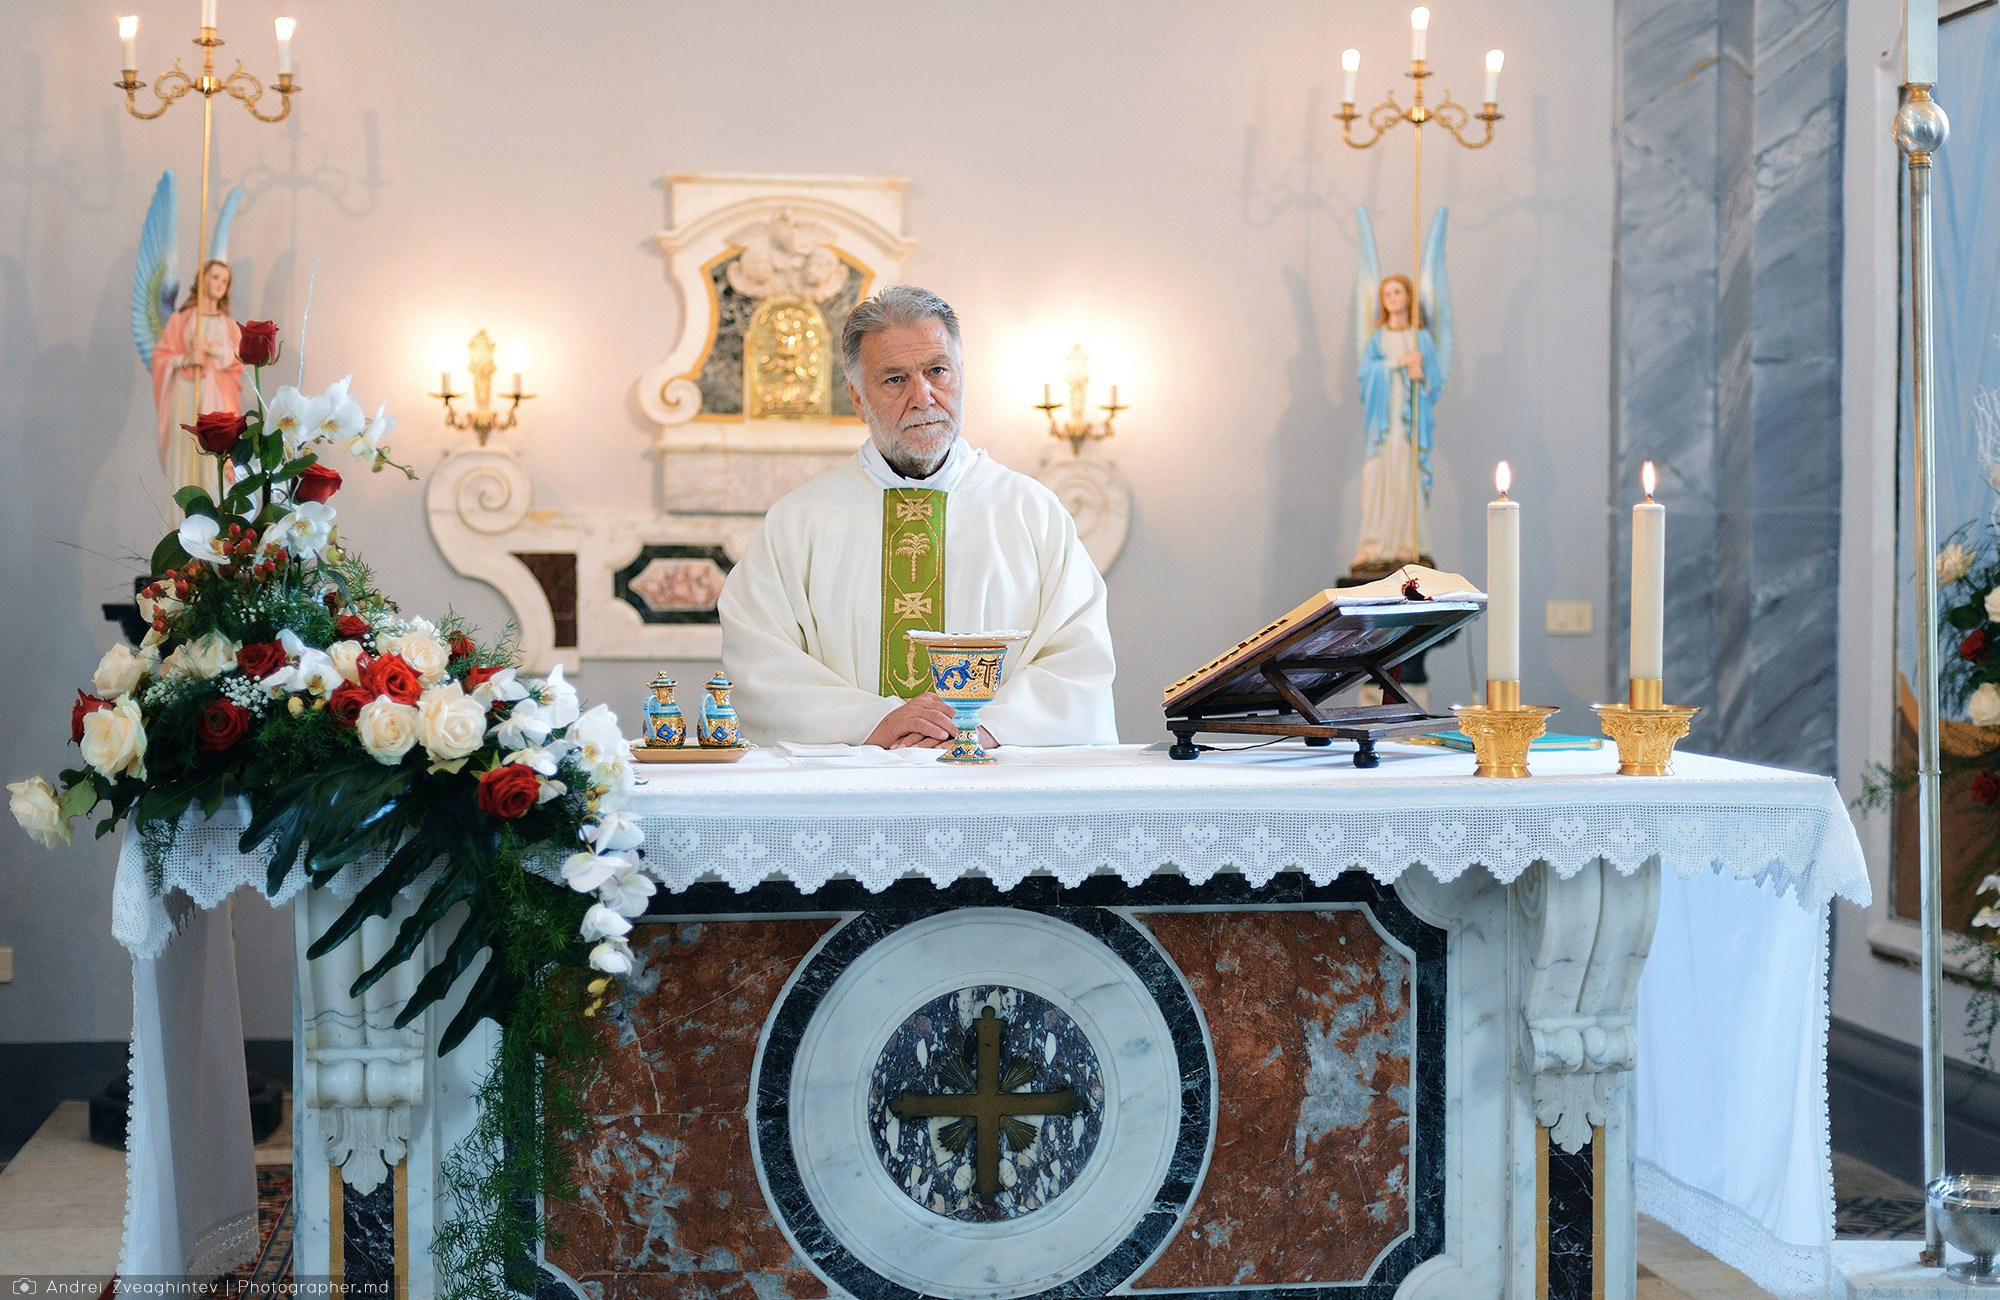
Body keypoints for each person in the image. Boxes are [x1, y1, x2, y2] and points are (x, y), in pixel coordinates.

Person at [719, 285, 1117, 748]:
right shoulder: (799, 522)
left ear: (961, 376)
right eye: (894, 379)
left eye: (937, 371)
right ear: (857, 397)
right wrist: (872, 720)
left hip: (993, 780)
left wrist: (984, 728)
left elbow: (1078, 659)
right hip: (852, 784)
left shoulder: (1032, 513)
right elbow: (761, 662)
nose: (923, 396)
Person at [1351, 272, 1441, 571]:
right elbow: (1366, 375)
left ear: (1408, 297)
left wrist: (1420, 375)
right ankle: (1375, 545)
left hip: (1408, 426)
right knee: (1380, 479)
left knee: (1406, 478)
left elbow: (1434, 383)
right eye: (1387, 294)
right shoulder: (1378, 339)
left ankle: (1408, 544)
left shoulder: (1420, 338)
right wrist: (1398, 363)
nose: (1392, 298)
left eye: (1398, 292)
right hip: (1383, 424)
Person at [150, 259, 244, 494]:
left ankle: (213, 513)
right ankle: (184, 511)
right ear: (202, 279)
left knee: (213, 460)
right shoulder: (182, 318)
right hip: (186, 395)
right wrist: (186, 359)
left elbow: (238, 361)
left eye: (224, 281)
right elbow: (161, 357)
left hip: (218, 401)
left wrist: (212, 349)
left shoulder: (229, 325)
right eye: (215, 277)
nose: (219, 283)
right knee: (186, 454)